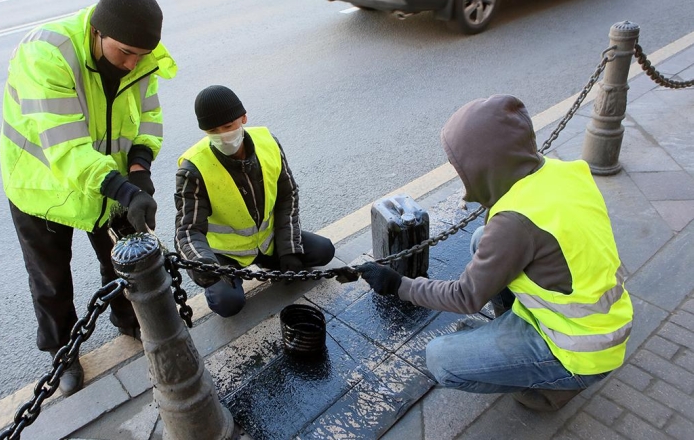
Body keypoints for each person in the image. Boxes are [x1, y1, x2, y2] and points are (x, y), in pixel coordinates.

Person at [357, 94, 633, 411]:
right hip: (603, 321)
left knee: (440, 358)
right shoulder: (560, 172)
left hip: (581, 350)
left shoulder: (514, 224)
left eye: (462, 166)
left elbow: (464, 297)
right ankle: (510, 339)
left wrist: (398, 285)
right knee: (479, 239)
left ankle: (549, 388)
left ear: (484, 164)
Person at [0, 0, 177, 397]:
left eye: (141, 55)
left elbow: (148, 115)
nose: (133, 64)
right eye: (124, 53)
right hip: (42, 188)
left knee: (119, 260)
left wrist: (139, 171)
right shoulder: (46, 55)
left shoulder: (143, 60)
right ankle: (62, 352)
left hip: (110, 182)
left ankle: (127, 317)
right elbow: (65, 147)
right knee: (51, 281)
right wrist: (123, 187)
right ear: (97, 33)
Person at [174, 85, 335, 317]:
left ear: (244, 118)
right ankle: (233, 277)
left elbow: (287, 195)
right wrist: (206, 266)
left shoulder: (268, 143)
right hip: (224, 254)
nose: (223, 135)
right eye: (213, 131)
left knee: (324, 251)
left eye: (228, 126)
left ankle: (271, 261)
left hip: (268, 240)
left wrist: (289, 248)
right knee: (228, 304)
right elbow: (187, 231)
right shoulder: (194, 168)